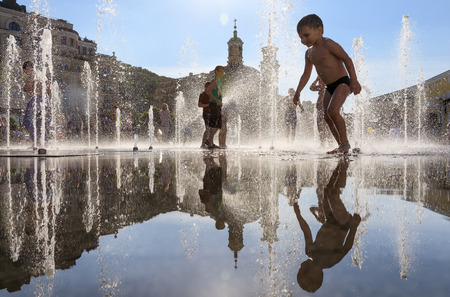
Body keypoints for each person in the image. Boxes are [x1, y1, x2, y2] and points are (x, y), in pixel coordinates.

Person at [293, 14, 361, 154]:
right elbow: (306, 74)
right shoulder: (309, 53)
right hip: (329, 87)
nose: (303, 40)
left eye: (306, 35)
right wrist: (298, 91)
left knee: (333, 111)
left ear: (319, 30)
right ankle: (341, 144)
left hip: (342, 82)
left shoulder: (328, 44)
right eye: (301, 37)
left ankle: (345, 144)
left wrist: (354, 80)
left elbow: (347, 59)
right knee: (326, 116)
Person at [293, 158, 361, 292]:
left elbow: (306, 231)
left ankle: (340, 165)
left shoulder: (309, 252)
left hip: (329, 220)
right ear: (313, 274)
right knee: (332, 196)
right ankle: (344, 165)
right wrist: (353, 227)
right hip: (342, 223)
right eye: (302, 270)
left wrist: (298, 214)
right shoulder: (328, 262)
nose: (300, 266)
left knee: (327, 193)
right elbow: (346, 247)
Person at [23, 61, 51, 145]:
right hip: (46, 100)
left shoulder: (31, 74)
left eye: (25, 70)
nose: (25, 73)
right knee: (40, 122)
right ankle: (44, 142)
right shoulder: (42, 74)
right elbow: (49, 89)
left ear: (27, 68)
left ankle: (36, 141)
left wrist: (25, 88)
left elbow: (28, 87)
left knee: (27, 120)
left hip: (37, 100)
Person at [205, 65, 225, 149]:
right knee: (214, 125)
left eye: (223, 72)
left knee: (218, 125)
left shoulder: (219, 82)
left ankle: (209, 140)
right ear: (216, 71)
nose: (222, 73)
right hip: (214, 104)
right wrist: (216, 100)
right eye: (220, 71)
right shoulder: (214, 81)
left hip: (218, 105)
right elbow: (208, 91)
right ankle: (210, 143)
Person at [310, 77, 330, 145]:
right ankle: (328, 143)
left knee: (322, 128)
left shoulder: (323, 87)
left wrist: (316, 79)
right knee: (326, 128)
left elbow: (311, 87)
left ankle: (323, 144)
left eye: (320, 81)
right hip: (322, 111)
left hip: (323, 111)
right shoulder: (325, 87)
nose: (319, 82)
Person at [198, 81, 211, 148]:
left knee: (211, 129)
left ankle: (208, 143)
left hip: (212, 113)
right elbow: (199, 105)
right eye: (209, 87)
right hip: (206, 113)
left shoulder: (211, 94)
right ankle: (202, 144)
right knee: (208, 128)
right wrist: (208, 105)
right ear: (205, 87)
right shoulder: (202, 95)